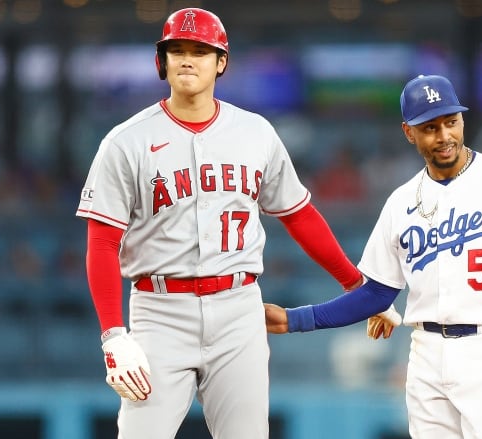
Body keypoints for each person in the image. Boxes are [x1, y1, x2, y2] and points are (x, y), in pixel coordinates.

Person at [75, 8, 364, 439]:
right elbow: (102, 243)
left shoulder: (256, 132)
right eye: (177, 50)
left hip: (238, 307)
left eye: (199, 51)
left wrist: (357, 286)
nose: (187, 59)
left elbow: (298, 213)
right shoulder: (125, 141)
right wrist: (113, 335)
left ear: (221, 62)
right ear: (162, 61)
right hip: (160, 311)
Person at [265, 74, 482, 438]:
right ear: (409, 132)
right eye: (430, 127)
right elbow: (376, 294)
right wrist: (295, 319)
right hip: (426, 353)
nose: (444, 135)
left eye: (451, 122)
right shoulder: (401, 202)